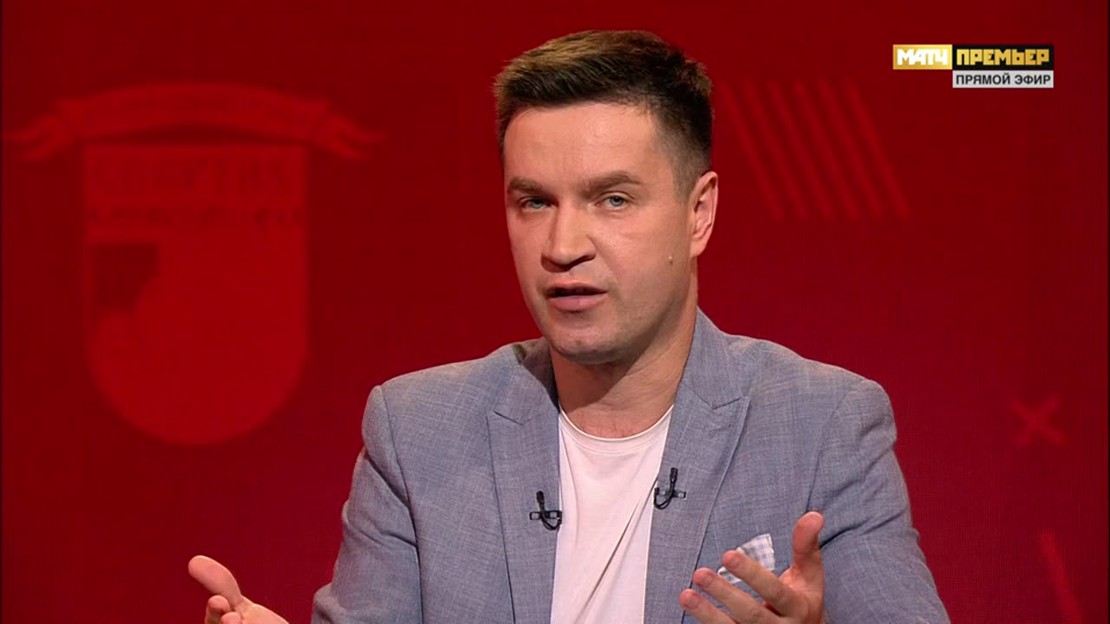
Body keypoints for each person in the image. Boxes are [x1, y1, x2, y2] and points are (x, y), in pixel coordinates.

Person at [190, 30, 949, 623]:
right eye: (535, 202)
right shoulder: (416, 432)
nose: (562, 245)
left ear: (699, 213)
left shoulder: (823, 426)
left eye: (612, 199)